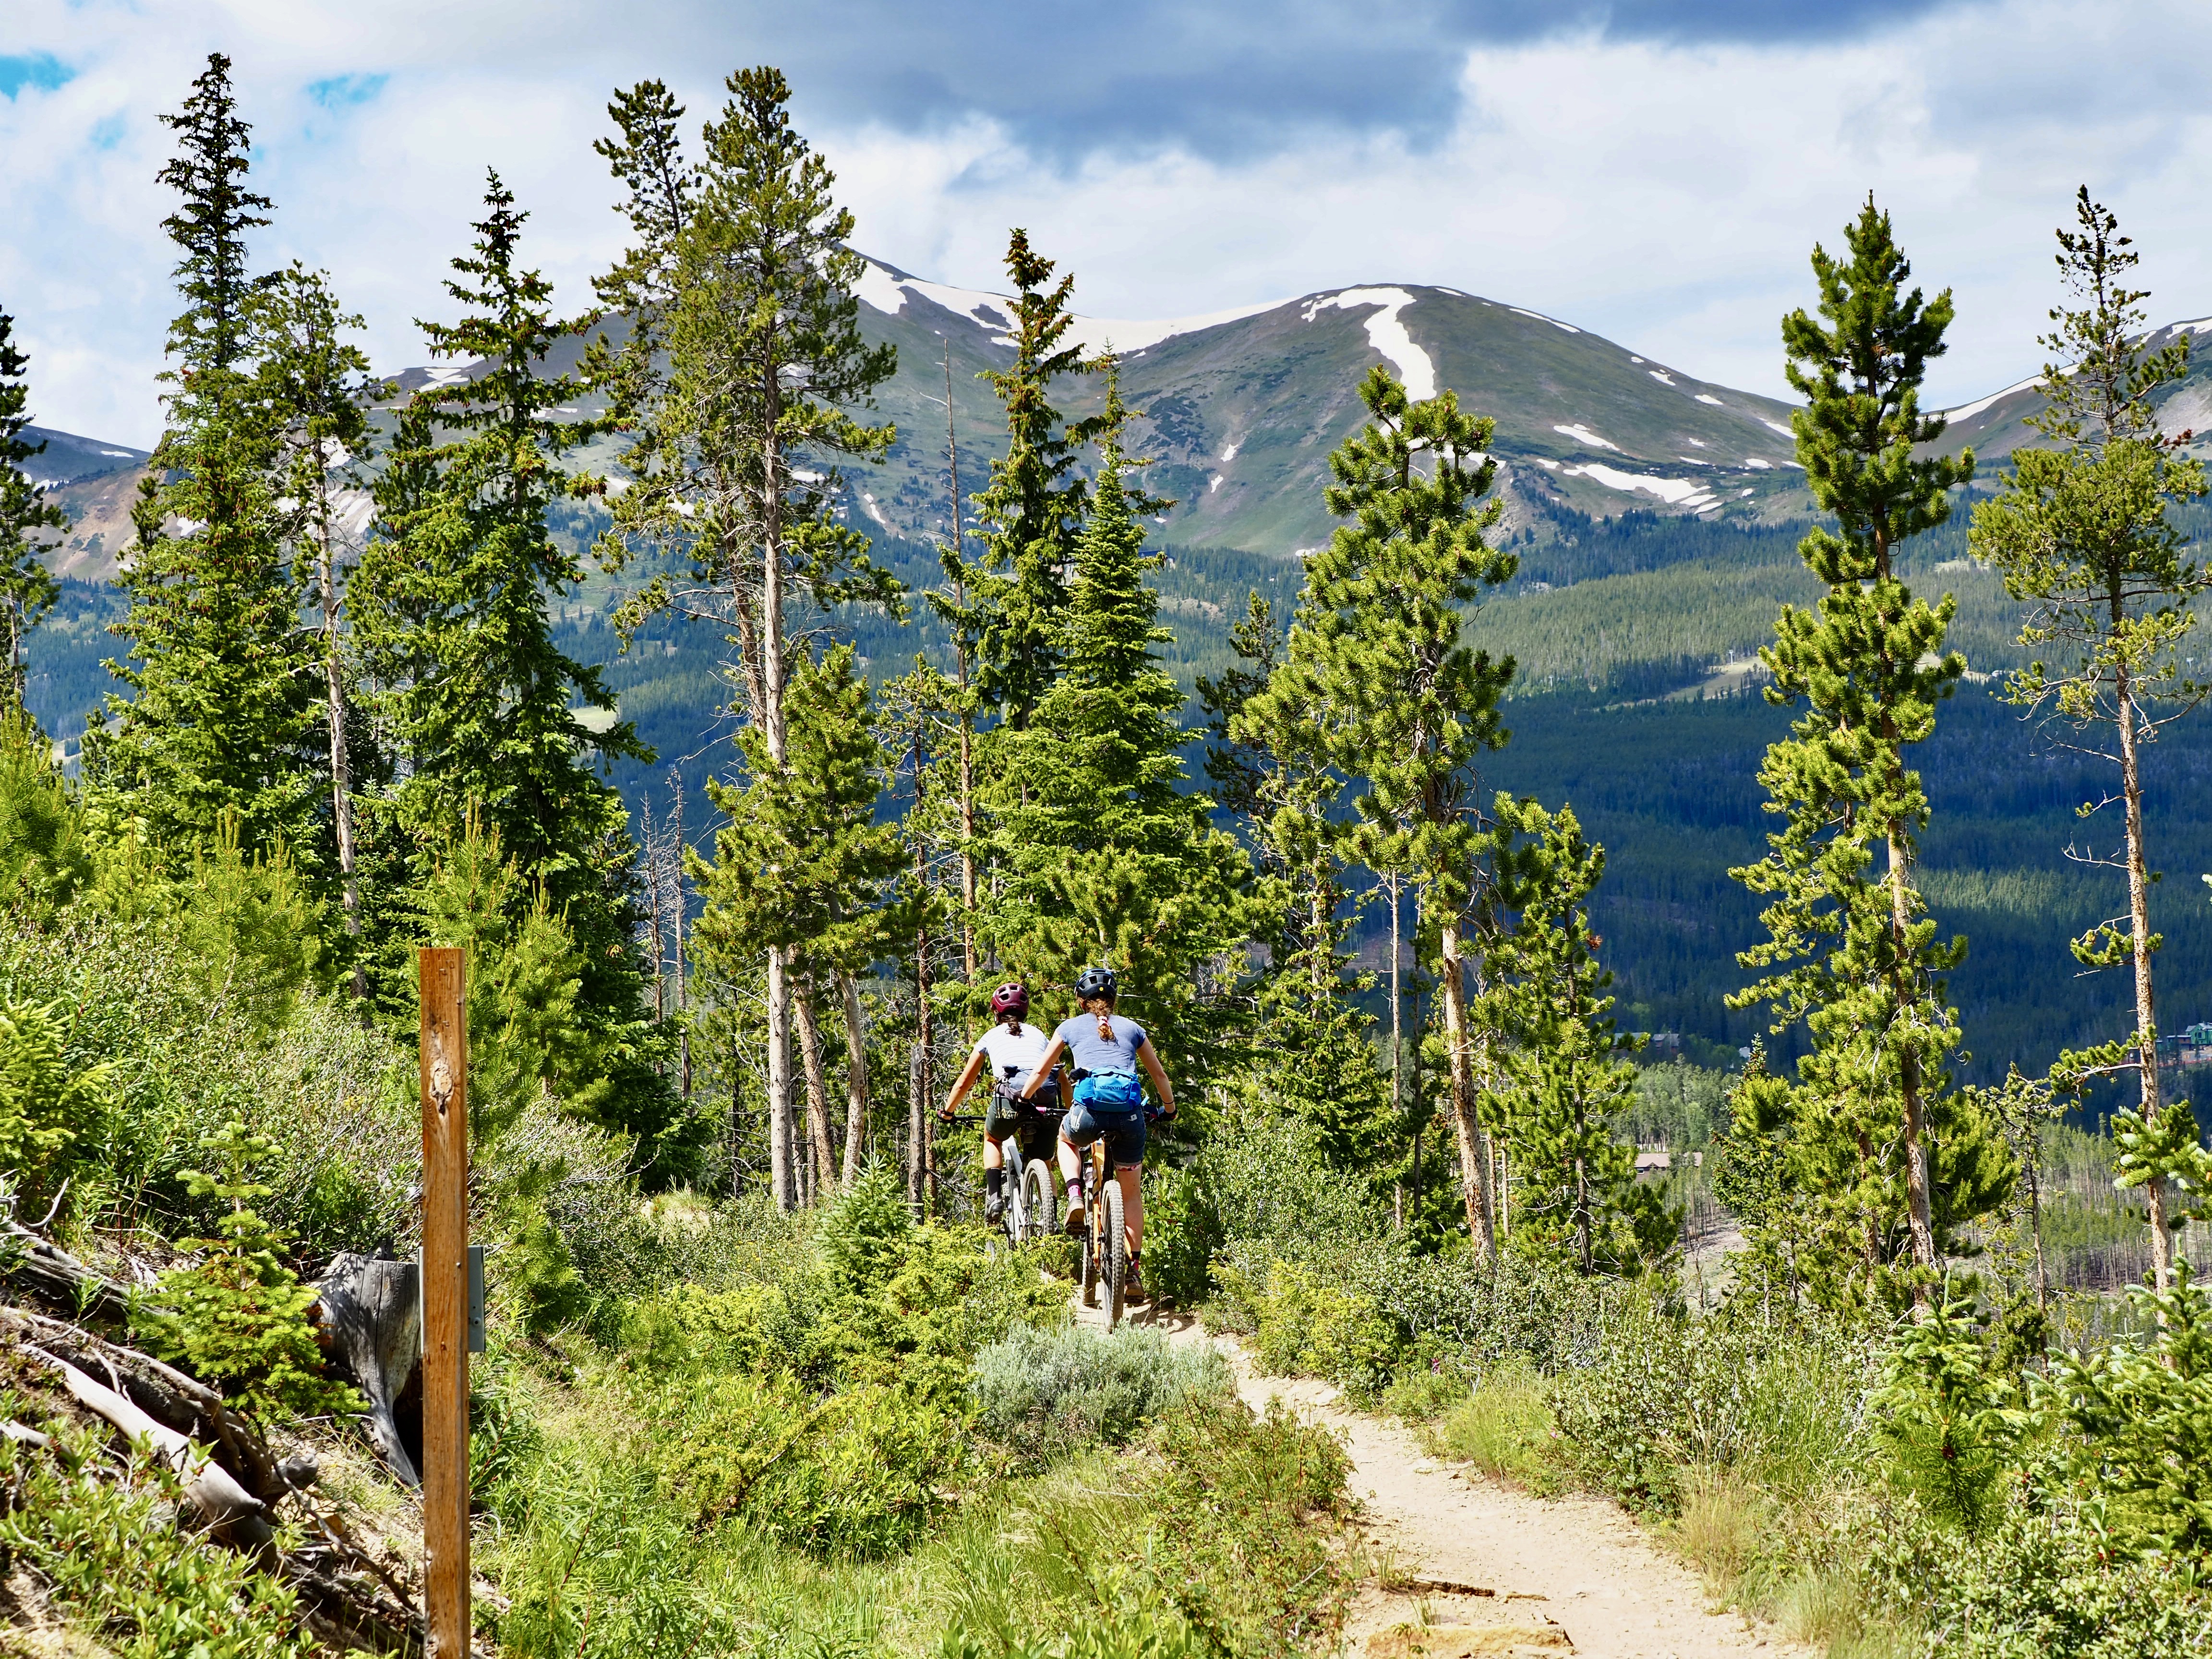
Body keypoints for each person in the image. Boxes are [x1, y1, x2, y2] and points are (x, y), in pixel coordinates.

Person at [1019, 964, 1175, 1301]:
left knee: (1065, 1138)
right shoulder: (1133, 1029)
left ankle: (1075, 1195)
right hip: (1130, 1118)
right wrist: (1169, 1108)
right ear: (1114, 1000)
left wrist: (1024, 1098)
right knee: (1132, 1194)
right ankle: (1132, 1272)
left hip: (1088, 1114)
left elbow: (1043, 1069)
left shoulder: (1069, 1027)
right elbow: (1160, 1075)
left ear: (1081, 1001)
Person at [942, 981, 1069, 1224]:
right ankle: (1050, 1218)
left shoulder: (991, 1036)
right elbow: (1060, 1077)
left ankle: (994, 1196)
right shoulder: (1039, 1035)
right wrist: (1070, 1110)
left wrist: (948, 1111)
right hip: (1046, 1102)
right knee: (1044, 1162)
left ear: (996, 1012)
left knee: (992, 1139)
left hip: (1009, 1103)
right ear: (1026, 1011)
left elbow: (965, 1082)